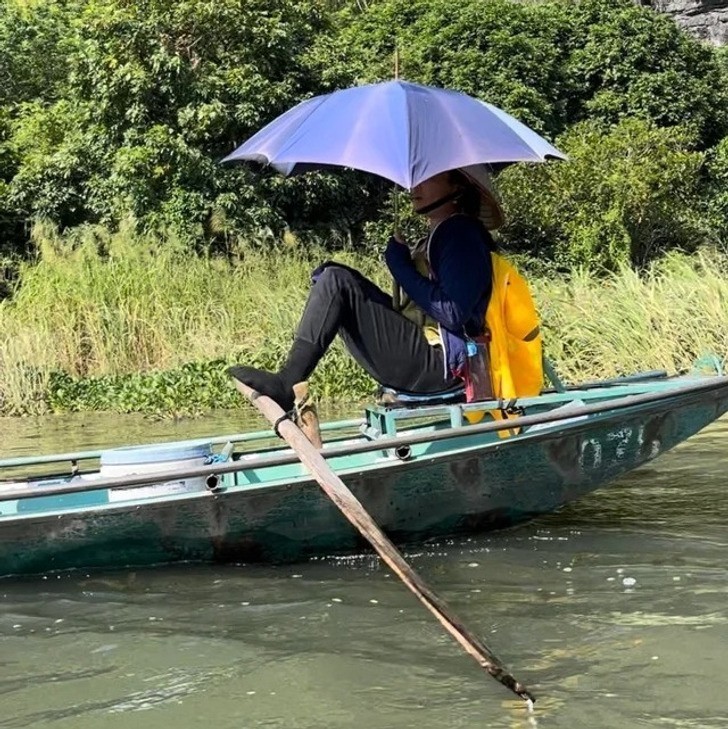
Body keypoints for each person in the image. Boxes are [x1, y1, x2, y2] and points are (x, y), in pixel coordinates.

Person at [229, 164, 504, 412]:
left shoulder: (460, 234)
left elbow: (452, 312)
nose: (414, 187)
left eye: (427, 178)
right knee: (335, 277)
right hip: (428, 356)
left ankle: (287, 383)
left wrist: (400, 267)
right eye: (414, 178)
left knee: (338, 281)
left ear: (457, 185)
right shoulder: (438, 234)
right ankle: (288, 379)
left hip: (442, 367)